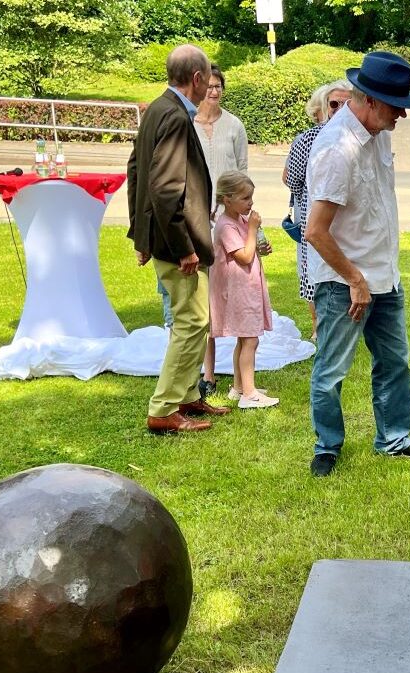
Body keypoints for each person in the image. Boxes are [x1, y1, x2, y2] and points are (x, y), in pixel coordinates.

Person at [304, 52, 410, 477]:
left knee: (394, 361)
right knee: (332, 369)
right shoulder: (335, 149)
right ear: (367, 100)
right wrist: (354, 279)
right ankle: (327, 445)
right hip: (344, 283)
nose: (402, 112)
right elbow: (316, 231)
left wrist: (380, 274)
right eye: (395, 104)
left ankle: (394, 439)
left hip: (385, 276)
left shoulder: (378, 133)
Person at [128, 44, 230, 435]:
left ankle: (187, 395)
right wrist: (183, 246)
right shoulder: (172, 115)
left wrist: (142, 235)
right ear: (199, 79)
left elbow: (135, 169)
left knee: (195, 318)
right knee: (192, 320)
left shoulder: (156, 108)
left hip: (164, 236)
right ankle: (165, 407)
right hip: (178, 242)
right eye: (208, 80)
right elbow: (166, 188)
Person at [284, 80, 354, 343]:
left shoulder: (358, 136)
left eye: (347, 104)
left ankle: (344, 326)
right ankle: (318, 326)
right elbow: (292, 179)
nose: (340, 109)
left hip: (345, 219)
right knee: (311, 271)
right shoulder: (308, 139)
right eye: (334, 104)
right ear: (324, 108)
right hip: (311, 215)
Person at [195, 66, 250, 395]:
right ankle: (209, 372)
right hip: (201, 216)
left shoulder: (234, 125)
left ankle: (241, 371)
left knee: (231, 290)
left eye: (218, 87)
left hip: (229, 217)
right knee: (205, 295)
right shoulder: (189, 124)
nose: (213, 92)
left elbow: (243, 171)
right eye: (209, 86)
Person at [209, 171, 279, 408]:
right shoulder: (226, 226)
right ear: (227, 200)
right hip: (238, 292)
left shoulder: (238, 220)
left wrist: (260, 245)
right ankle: (249, 394)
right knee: (250, 340)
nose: (250, 202)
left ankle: (239, 387)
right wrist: (252, 230)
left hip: (246, 288)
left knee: (245, 339)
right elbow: (244, 256)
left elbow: (251, 250)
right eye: (245, 198)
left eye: (251, 197)